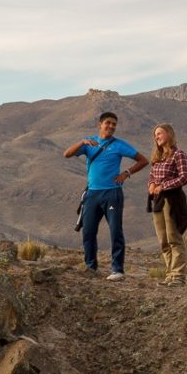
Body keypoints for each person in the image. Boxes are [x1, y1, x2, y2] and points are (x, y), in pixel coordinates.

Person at [63, 112, 149, 281]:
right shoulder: (89, 143)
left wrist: (126, 173)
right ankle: (90, 267)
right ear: (100, 124)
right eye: (108, 123)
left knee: (115, 230)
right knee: (88, 231)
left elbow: (143, 160)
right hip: (92, 193)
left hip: (112, 193)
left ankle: (117, 269)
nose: (111, 126)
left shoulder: (119, 145)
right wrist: (82, 142)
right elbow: (66, 154)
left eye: (114, 124)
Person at [146, 123, 187, 287]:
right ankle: (170, 275)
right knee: (163, 241)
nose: (157, 137)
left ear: (169, 135)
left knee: (174, 238)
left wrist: (163, 186)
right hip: (158, 202)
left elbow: (184, 177)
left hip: (173, 201)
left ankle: (178, 276)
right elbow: (152, 177)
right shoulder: (157, 158)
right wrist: (151, 185)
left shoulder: (178, 155)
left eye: (160, 133)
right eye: (155, 135)